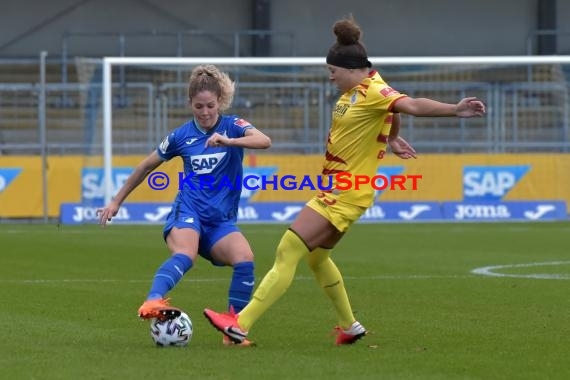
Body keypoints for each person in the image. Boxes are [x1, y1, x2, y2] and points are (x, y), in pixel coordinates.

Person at [203, 16, 486, 345]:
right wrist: (392, 138)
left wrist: (454, 109)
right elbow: (392, 111)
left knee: (288, 249)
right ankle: (349, 326)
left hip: (346, 192)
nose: (331, 78)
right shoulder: (369, 81)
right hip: (343, 190)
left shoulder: (374, 90)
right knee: (317, 258)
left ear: (350, 69)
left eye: (332, 72)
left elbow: (409, 104)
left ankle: (240, 324)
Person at [97, 64, 271, 346]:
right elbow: (145, 166)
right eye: (198, 106)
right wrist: (116, 201)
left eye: (210, 106)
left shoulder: (233, 126)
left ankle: (233, 330)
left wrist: (227, 141)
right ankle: (153, 300)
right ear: (190, 103)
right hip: (188, 212)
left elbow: (264, 141)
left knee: (245, 259)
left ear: (220, 103)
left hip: (219, 221)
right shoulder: (181, 136)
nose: (205, 113)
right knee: (186, 254)